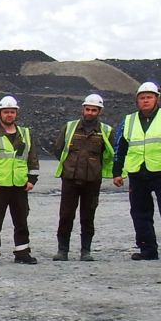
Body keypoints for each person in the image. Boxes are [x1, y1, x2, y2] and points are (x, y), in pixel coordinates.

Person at [112, 80, 161, 261]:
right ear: (137, 101)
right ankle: (147, 249)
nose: (145, 101)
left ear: (157, 99)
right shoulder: (128, 121)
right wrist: (117, 172)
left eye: (149, 97)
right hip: (138, 173)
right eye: (142, 98)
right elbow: (120, 148)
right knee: (140, 212)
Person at [0, 95, 38, 265]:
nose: (9, 115)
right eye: (6, 112)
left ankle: (22, 252)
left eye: (12, 112)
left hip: (20, 185)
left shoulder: (25, 134)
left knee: (21, 221)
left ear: (16, 113)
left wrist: (32, 179)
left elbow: (32, 158)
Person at [50, 93, 113, 261]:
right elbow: (58, 149)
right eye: (88, 109)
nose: (90, 113)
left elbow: (111, 153)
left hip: (92, 181)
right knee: (66, 215)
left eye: (94, 110)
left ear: (100, 111)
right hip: (70, 179)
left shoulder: (106, 131)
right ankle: (62, 250)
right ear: (82, 109)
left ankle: (86, 251)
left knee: (88, 216)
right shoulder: (70, 128)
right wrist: (71, 164)